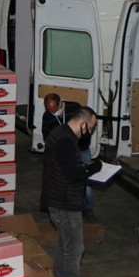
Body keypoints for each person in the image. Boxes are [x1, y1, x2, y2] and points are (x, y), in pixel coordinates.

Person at [41, 106, 103, 277]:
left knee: (63, 246)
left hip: (58, 199)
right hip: (65, 203)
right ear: (83, 124)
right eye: (91, 128)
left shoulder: (59, 133)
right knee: (75, 250)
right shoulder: (65, 142)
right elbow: (74, 175)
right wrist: (93, 167)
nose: (91, 132)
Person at [41, 93, 96, 221]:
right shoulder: (47, 117)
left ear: (61, 103)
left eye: (55, 109)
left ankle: (88, 209)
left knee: (87, 182)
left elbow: (85, 130)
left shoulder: (75, 108)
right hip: (65, 152)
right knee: (69, 179)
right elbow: (46, 136)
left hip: (82, 150)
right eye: (50, 110)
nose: (53, 113)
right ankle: (68, 207)